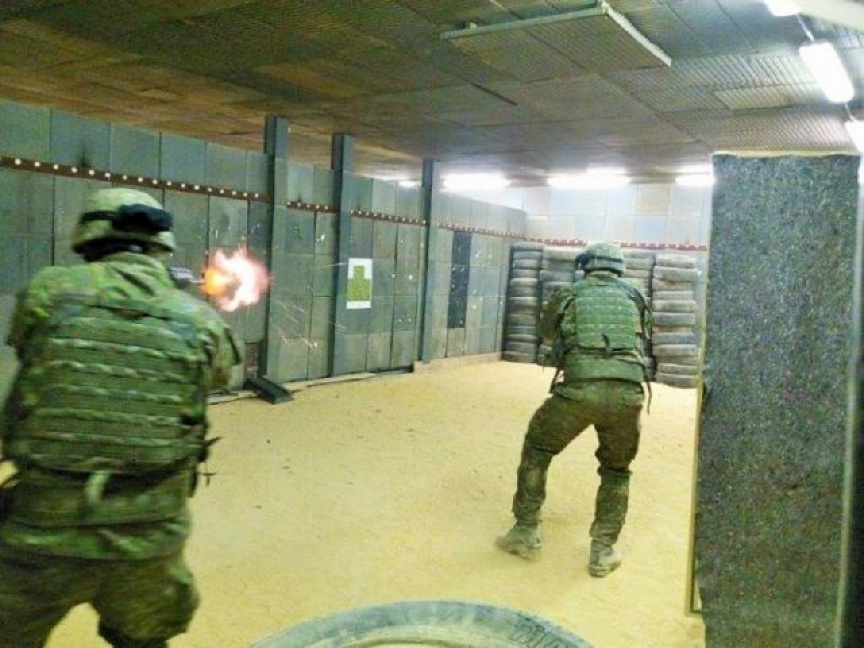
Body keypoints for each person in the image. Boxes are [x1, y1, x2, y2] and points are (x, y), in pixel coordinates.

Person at [0, 188, 241, 647]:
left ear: (89, 237)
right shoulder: (199, 320)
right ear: (161, 246)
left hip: (43, 531)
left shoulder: (48, 292)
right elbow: (218, 375)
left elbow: (31, 343)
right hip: (149, 537)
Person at [496, 242, 650, 577]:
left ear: (586, 265)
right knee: (616, 470)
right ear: (619, 267)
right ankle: (603, 551)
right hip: (628, 393)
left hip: (579, 390)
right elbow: (643, 338)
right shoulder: (635, 296)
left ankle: (525, 531)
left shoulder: (569, 294)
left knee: (538, 449)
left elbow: (545, 333)